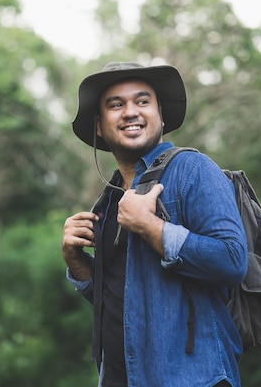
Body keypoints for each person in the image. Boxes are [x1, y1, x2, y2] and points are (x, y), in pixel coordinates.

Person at [61, 61, 248, 387]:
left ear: (160, 115)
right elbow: (124, 300)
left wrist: (149, 226)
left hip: (194, 379)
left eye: (142, 101)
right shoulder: (108, 200)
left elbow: (232, 261)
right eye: (116, 105)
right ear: (100, 126)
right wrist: (77, 263)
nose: (130, 111)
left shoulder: (194, 170)